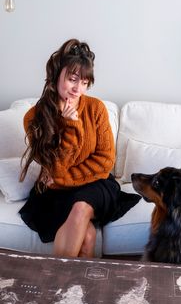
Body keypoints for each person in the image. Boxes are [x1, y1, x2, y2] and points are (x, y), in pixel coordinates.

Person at [19, 38, 140, 258]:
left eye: (84, 83)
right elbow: (55, 166)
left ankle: (55, 282)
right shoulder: (34, 118)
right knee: (88, 238)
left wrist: (63, 179)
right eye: (73, 80)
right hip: (54, 193)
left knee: (81, 207)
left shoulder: (96, 109)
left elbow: (104, 161)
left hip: (95, 184)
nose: (78, 89)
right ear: (56, 75)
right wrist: (69, 127)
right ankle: (75, 291)